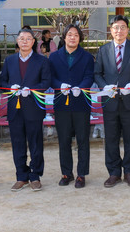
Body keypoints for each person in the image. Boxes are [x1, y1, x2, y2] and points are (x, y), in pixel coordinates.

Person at [94, 15, 130, 188]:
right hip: (110, 101)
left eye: (123, 27)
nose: (119, 30)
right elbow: (97, 73)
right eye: (116, 27)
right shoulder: (103, 50)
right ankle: (114, 173)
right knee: (111, 138)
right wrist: (104, 87)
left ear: (127, 30)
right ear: (111, 30)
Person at [0, 29, 52, 192]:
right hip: (14, 108)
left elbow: (46, 82)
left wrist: (32, 90)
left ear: (33, 42)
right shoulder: (9, 60)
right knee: (17, 143)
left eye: (28, 38)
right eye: (21, 38)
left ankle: (35, 175)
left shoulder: (41, 60)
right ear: (17, 41)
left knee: (35, 143)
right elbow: (2, 82)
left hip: (33, 107)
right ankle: (21, 176)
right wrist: (10, 88)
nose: (24, 41)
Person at [48, 24, 95, 189]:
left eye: (76, 35)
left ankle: (81, 174)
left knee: (82, 140)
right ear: (64, 37)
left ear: (80, 38)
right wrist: (59, 85)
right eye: (69, 34)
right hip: (61, 104)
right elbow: (50, 77)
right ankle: (66, 173)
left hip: (81, 103)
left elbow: (89, 76)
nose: (72, 37)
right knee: (64, 140)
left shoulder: (87, 57)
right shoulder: (54, 57)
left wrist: (81, 87)